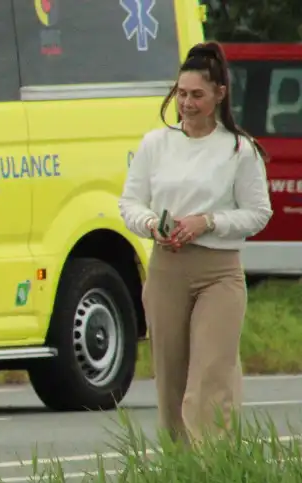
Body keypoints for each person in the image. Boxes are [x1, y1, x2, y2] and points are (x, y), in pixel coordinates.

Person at [118, 41, 272, 446]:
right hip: (167, 270)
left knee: (206, 384)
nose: (187, 103)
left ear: (219, 94)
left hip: (218, 274)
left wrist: (208, 222)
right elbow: (130, 203)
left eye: (197, 95)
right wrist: (152, 224)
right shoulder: (156, 144)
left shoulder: (239, 149)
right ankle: (179, 475)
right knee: (171, 386)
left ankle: (215, 469)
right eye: (181, 94)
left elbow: (258, 213)